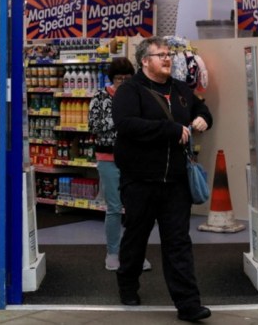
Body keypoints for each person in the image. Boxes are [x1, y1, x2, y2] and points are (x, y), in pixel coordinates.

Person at [112, 37, 213, 322]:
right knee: (136, 237)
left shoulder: (181, 89)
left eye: (169, 54)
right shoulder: (130, 91)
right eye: (161, 55)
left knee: (178, 242)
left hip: (176, 182)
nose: (168, 59)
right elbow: (126, 124)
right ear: (145, 61)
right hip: (140, 180)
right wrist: (169, 130)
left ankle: (188, 304)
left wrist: (204, 118)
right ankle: (128, 285)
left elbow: (202, 110)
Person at [88, 57, 152, 272]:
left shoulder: (139, 95)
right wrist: (120, 118)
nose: (123, 82)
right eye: (118, 78)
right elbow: (93, 125)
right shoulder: (99, 97)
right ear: (111, 79)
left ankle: (136, 253)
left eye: (127, 78)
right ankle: (113, 253)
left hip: (136, 158)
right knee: (114, 208)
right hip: (108, 158)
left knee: (138, 209)